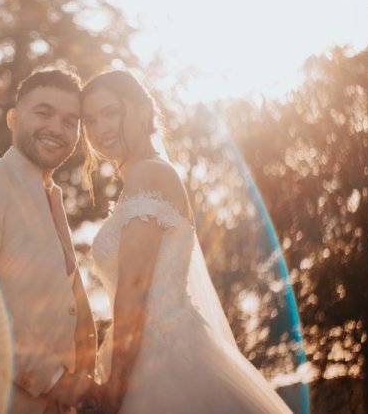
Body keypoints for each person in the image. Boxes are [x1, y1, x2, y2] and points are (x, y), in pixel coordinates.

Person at [78, 70, 293, 413]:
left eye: (111, 112)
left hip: (159, 366)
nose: (99, 128)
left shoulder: (146, 173)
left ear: (143, 110)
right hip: (155, 349)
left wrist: (117, 386)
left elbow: (134, 287)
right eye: (89, 119)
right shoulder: (150, 172)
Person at [0, 68, 98, 414]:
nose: (57, 127)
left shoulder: (52, 199)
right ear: (13, 118)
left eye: (71, 121)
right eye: (44, 112)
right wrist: (53, 380)